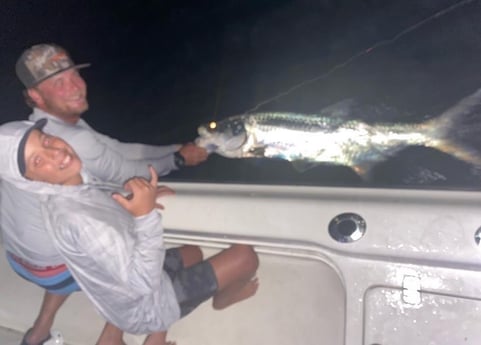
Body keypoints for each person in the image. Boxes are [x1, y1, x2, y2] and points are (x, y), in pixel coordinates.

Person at [1, 43, 208, 344]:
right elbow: (126, 170)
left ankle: (38, 333)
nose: (74, 87)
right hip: (55, 267)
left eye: (74, 75)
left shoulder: (25, 136)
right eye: (58, 82)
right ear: (35, 96)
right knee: (113, 244)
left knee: (68, 239)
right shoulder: (61, 143)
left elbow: (120, 149)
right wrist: (179, 161)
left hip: (19, 258)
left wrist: (175, 149)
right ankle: (113, 336)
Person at [0, 119, 259, 345]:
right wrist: (145, 215)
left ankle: (141, 338)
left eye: (45, 141)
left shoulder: (69, 188)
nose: (55, 153)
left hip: (121, 298)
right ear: (30, 181)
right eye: (38, 160)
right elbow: (142, 282)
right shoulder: (78, 220)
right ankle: (224, 299)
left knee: (194, 253)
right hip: (145, 305)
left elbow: (96, 206)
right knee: (245, 257)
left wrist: (132, 200)